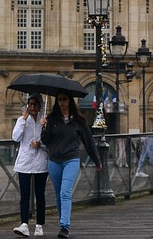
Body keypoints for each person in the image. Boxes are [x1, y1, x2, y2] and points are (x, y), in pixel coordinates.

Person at [39, 92, 100, 239]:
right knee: (59, 195)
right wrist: (44, 127)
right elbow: (46, 141)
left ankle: (65, 226)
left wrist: (96, 159)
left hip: (71, 160)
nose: (62, 102)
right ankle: (62, 223)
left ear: (70, 101)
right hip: (54, 160)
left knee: (65, 192)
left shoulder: (79, 120)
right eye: (59, 100)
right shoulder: (51, 119)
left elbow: (88, 140)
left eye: (64, 99)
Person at [11, 94, 48, 237]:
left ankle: (39, 225)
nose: (32, 107)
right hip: (25, 162)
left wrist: (41, 143)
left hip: (40, 162)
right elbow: (15, 137)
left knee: (40, 194)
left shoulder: (44, 121)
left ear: (39, 106)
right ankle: (24, 224)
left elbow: (49, 142)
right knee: (25, 194)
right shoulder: (22, 120)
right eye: (30, 104)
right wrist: (23, 120)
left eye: (35, 104)